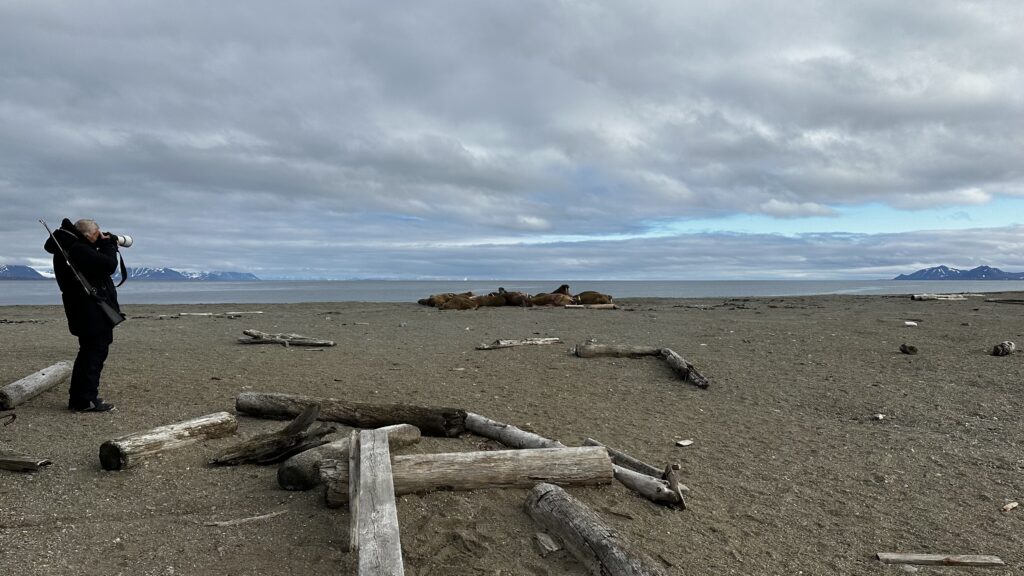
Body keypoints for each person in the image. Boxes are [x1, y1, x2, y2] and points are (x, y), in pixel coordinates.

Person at [43, 218, 121, 412]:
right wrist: (109, 244)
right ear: (87, 235)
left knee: (90, 352)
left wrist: (102, 244)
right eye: (97, 234)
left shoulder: (69, 246)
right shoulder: (77, 249)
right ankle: (84, 401)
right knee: (93, 354)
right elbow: (109, 265)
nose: (99, 237)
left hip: (83, 309)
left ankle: (82, 398)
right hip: (90, 311)